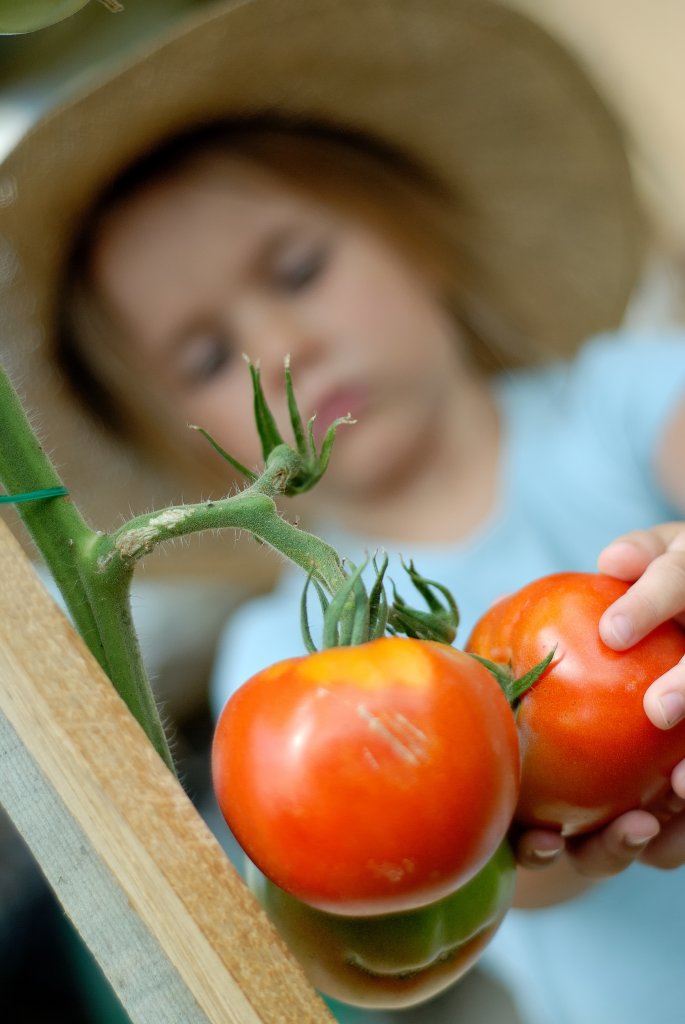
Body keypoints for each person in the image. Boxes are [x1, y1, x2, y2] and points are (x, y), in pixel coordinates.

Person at [2, 0, 685, 1021]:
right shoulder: (273, 670)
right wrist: (554, 848)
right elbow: (434, 886)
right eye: (201, 355)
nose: (276, 345)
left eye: (298, 268)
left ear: (421, 241)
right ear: (170, 437)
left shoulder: (621, 406)